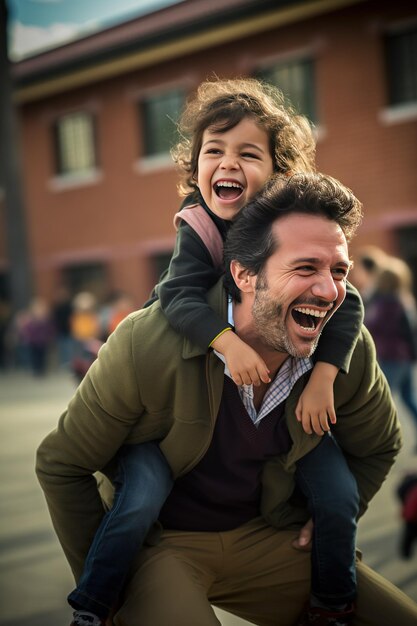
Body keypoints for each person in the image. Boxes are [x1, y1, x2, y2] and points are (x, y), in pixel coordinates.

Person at [36, 172, 417, 626]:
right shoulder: (145, 341)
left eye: (339, 271)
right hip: (162, 544)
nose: (331, 290)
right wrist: (107, 587)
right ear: (244, 274)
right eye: (305, 268)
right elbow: (62, 464)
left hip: (274, 537)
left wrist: (333, 515)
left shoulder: (344, 350)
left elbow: (378, 446)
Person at [63, 79, 363, 626]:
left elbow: (350, 302)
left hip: (261, 419)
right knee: (141, 494)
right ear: (196, 166)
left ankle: (333, 604)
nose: (227, 163)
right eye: (213, 151)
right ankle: (94, 603)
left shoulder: (290, 231)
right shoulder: (199, 224)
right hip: (170, 395)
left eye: (248, 153)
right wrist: (225, 344)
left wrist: (323, 374)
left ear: (279, 171)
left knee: (335, 491)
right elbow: (177, 295)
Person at [364, 258, 417, 450]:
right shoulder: (403, 299)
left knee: (384, 401)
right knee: (408, 398)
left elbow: (372, 326)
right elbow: (410, 332)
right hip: (403, 357)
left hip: (391, 357)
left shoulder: (385, 303)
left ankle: (381, 442)